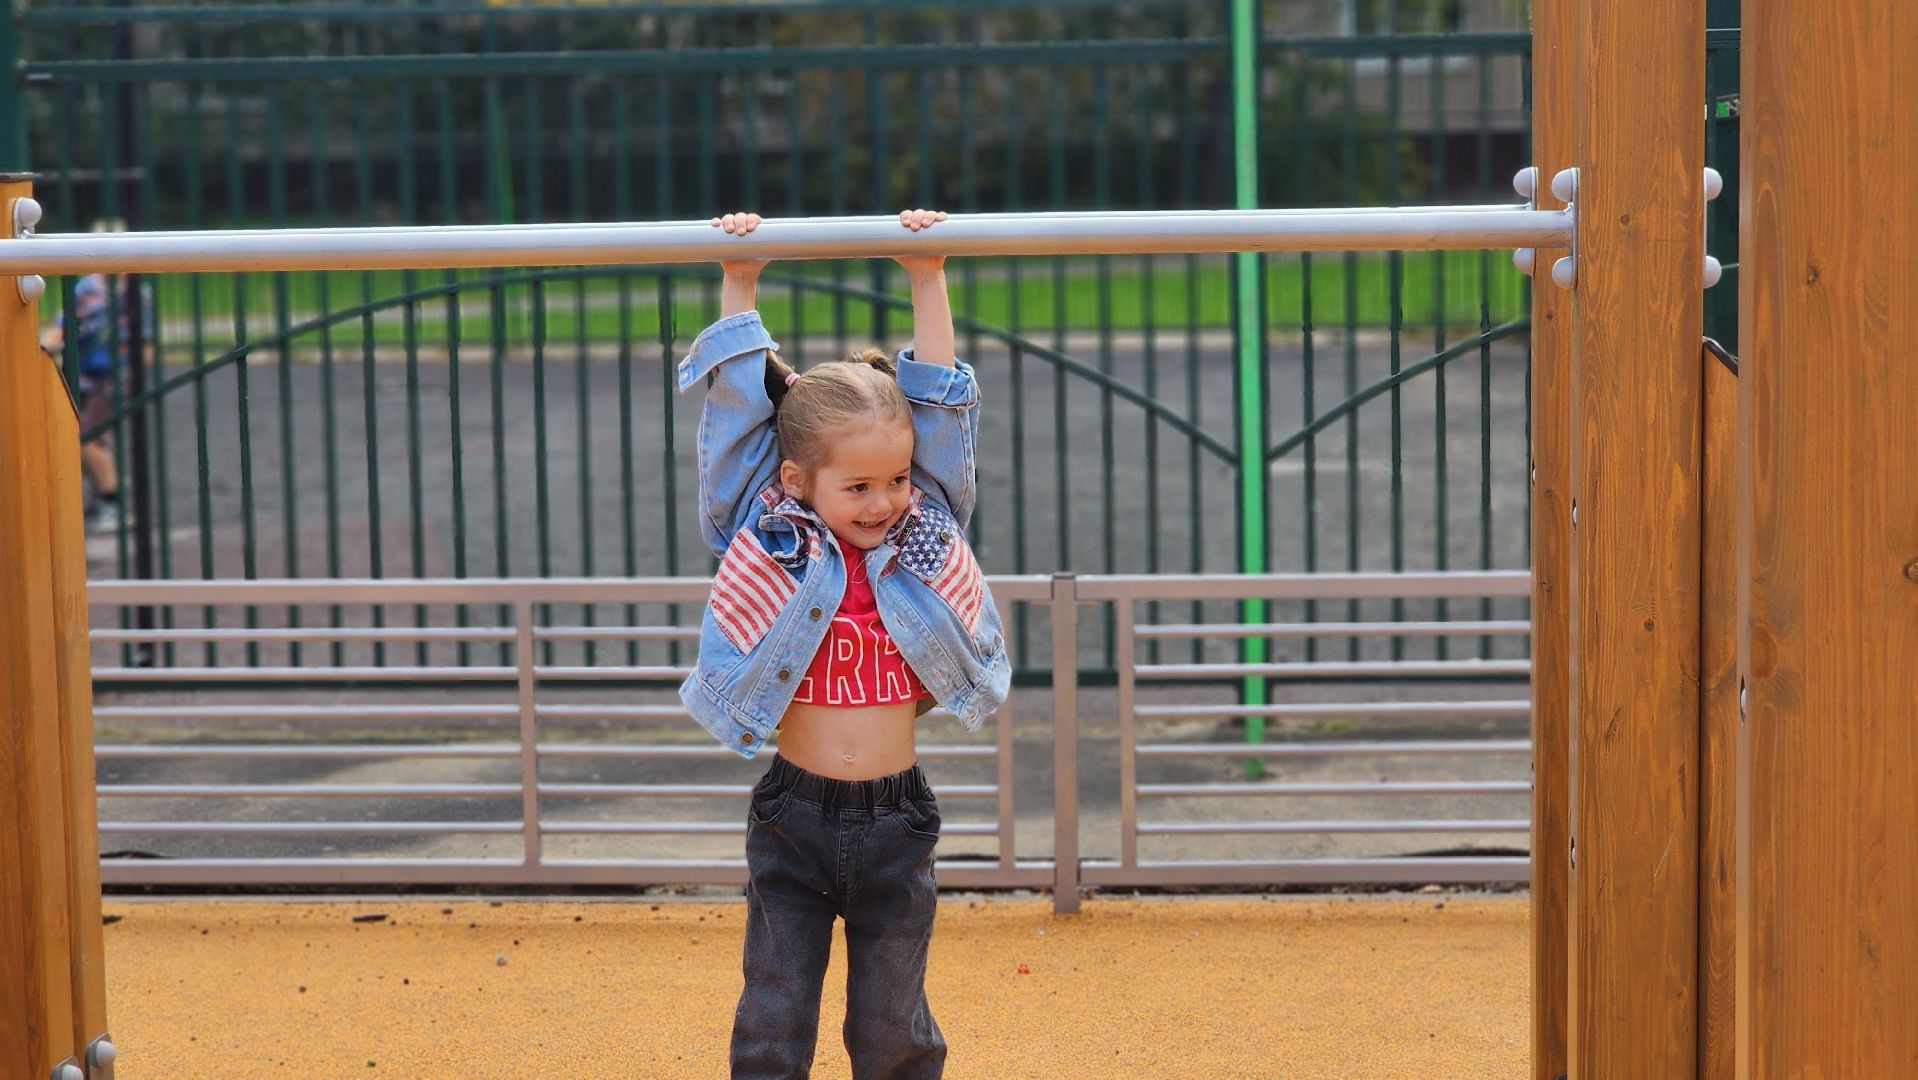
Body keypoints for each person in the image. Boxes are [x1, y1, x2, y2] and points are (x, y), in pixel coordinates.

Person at [676, 208, 1011, 1080]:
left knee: (894, 1026)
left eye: (895, 480)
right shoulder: (770, 527)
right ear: (797, 483)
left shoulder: (921, 532)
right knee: (774, 1017)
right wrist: (739, 276)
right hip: (794, 817)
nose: (883, 501)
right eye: (857, 485)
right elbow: (740, 411)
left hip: (898, 819)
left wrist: (926, 269)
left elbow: (939, 405)